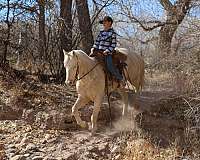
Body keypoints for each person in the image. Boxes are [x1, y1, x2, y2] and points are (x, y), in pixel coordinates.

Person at [90, 16, 125, 87]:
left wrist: (107, 51)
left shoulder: (112, 33)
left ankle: (120, 78)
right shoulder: (101, 33)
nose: (103, 24)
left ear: (110, 23)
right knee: (89, 61)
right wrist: (93, 48)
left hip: (107, 53)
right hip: (98, 51)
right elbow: (97, 42)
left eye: (105, 22)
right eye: (103, 22)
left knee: (110, 66)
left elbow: (113, 44)